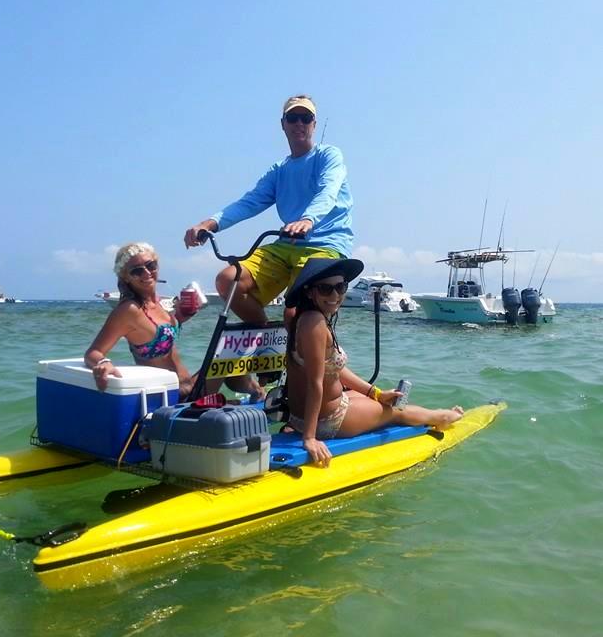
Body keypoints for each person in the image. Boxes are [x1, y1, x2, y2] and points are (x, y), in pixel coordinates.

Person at [183, 95, 354, 326]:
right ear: (283, 124)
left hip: (326, 245)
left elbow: (328, 191)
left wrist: (307, 219)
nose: (299, 124)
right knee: (228, 281)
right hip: (287, 244)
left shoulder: (328, 155)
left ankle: (306, 349)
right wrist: (208, 224)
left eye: (306, 118)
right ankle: (267, 343)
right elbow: (249, 202)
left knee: (294, 315)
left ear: (314, 124)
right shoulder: (279, 170)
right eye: (293, 118)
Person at [284, 257, 465, 467]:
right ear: (309, 292)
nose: (335, 295)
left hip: (303, 415)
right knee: (396, 412)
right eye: (325, 289)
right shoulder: (315, 323)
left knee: (380, 401)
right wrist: (310, 438)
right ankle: (441, 417)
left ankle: (411, 409)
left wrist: (376, 393)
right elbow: (315, 383)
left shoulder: (305, 317)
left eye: (341, 287)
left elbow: (334, 370)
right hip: (326, 422)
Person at [84, 242, 260, 400]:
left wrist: (181, 317)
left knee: (232, 348)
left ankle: (255, 393)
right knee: (228, 352)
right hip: (172, 396)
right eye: (137, 270)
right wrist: (102, 364)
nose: (146, 272)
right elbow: (94, 352)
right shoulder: (129, 310)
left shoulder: (156, 304)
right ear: (125, 277)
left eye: (150, 265)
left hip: (190, 387)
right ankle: (258, 395)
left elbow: (157, 333)